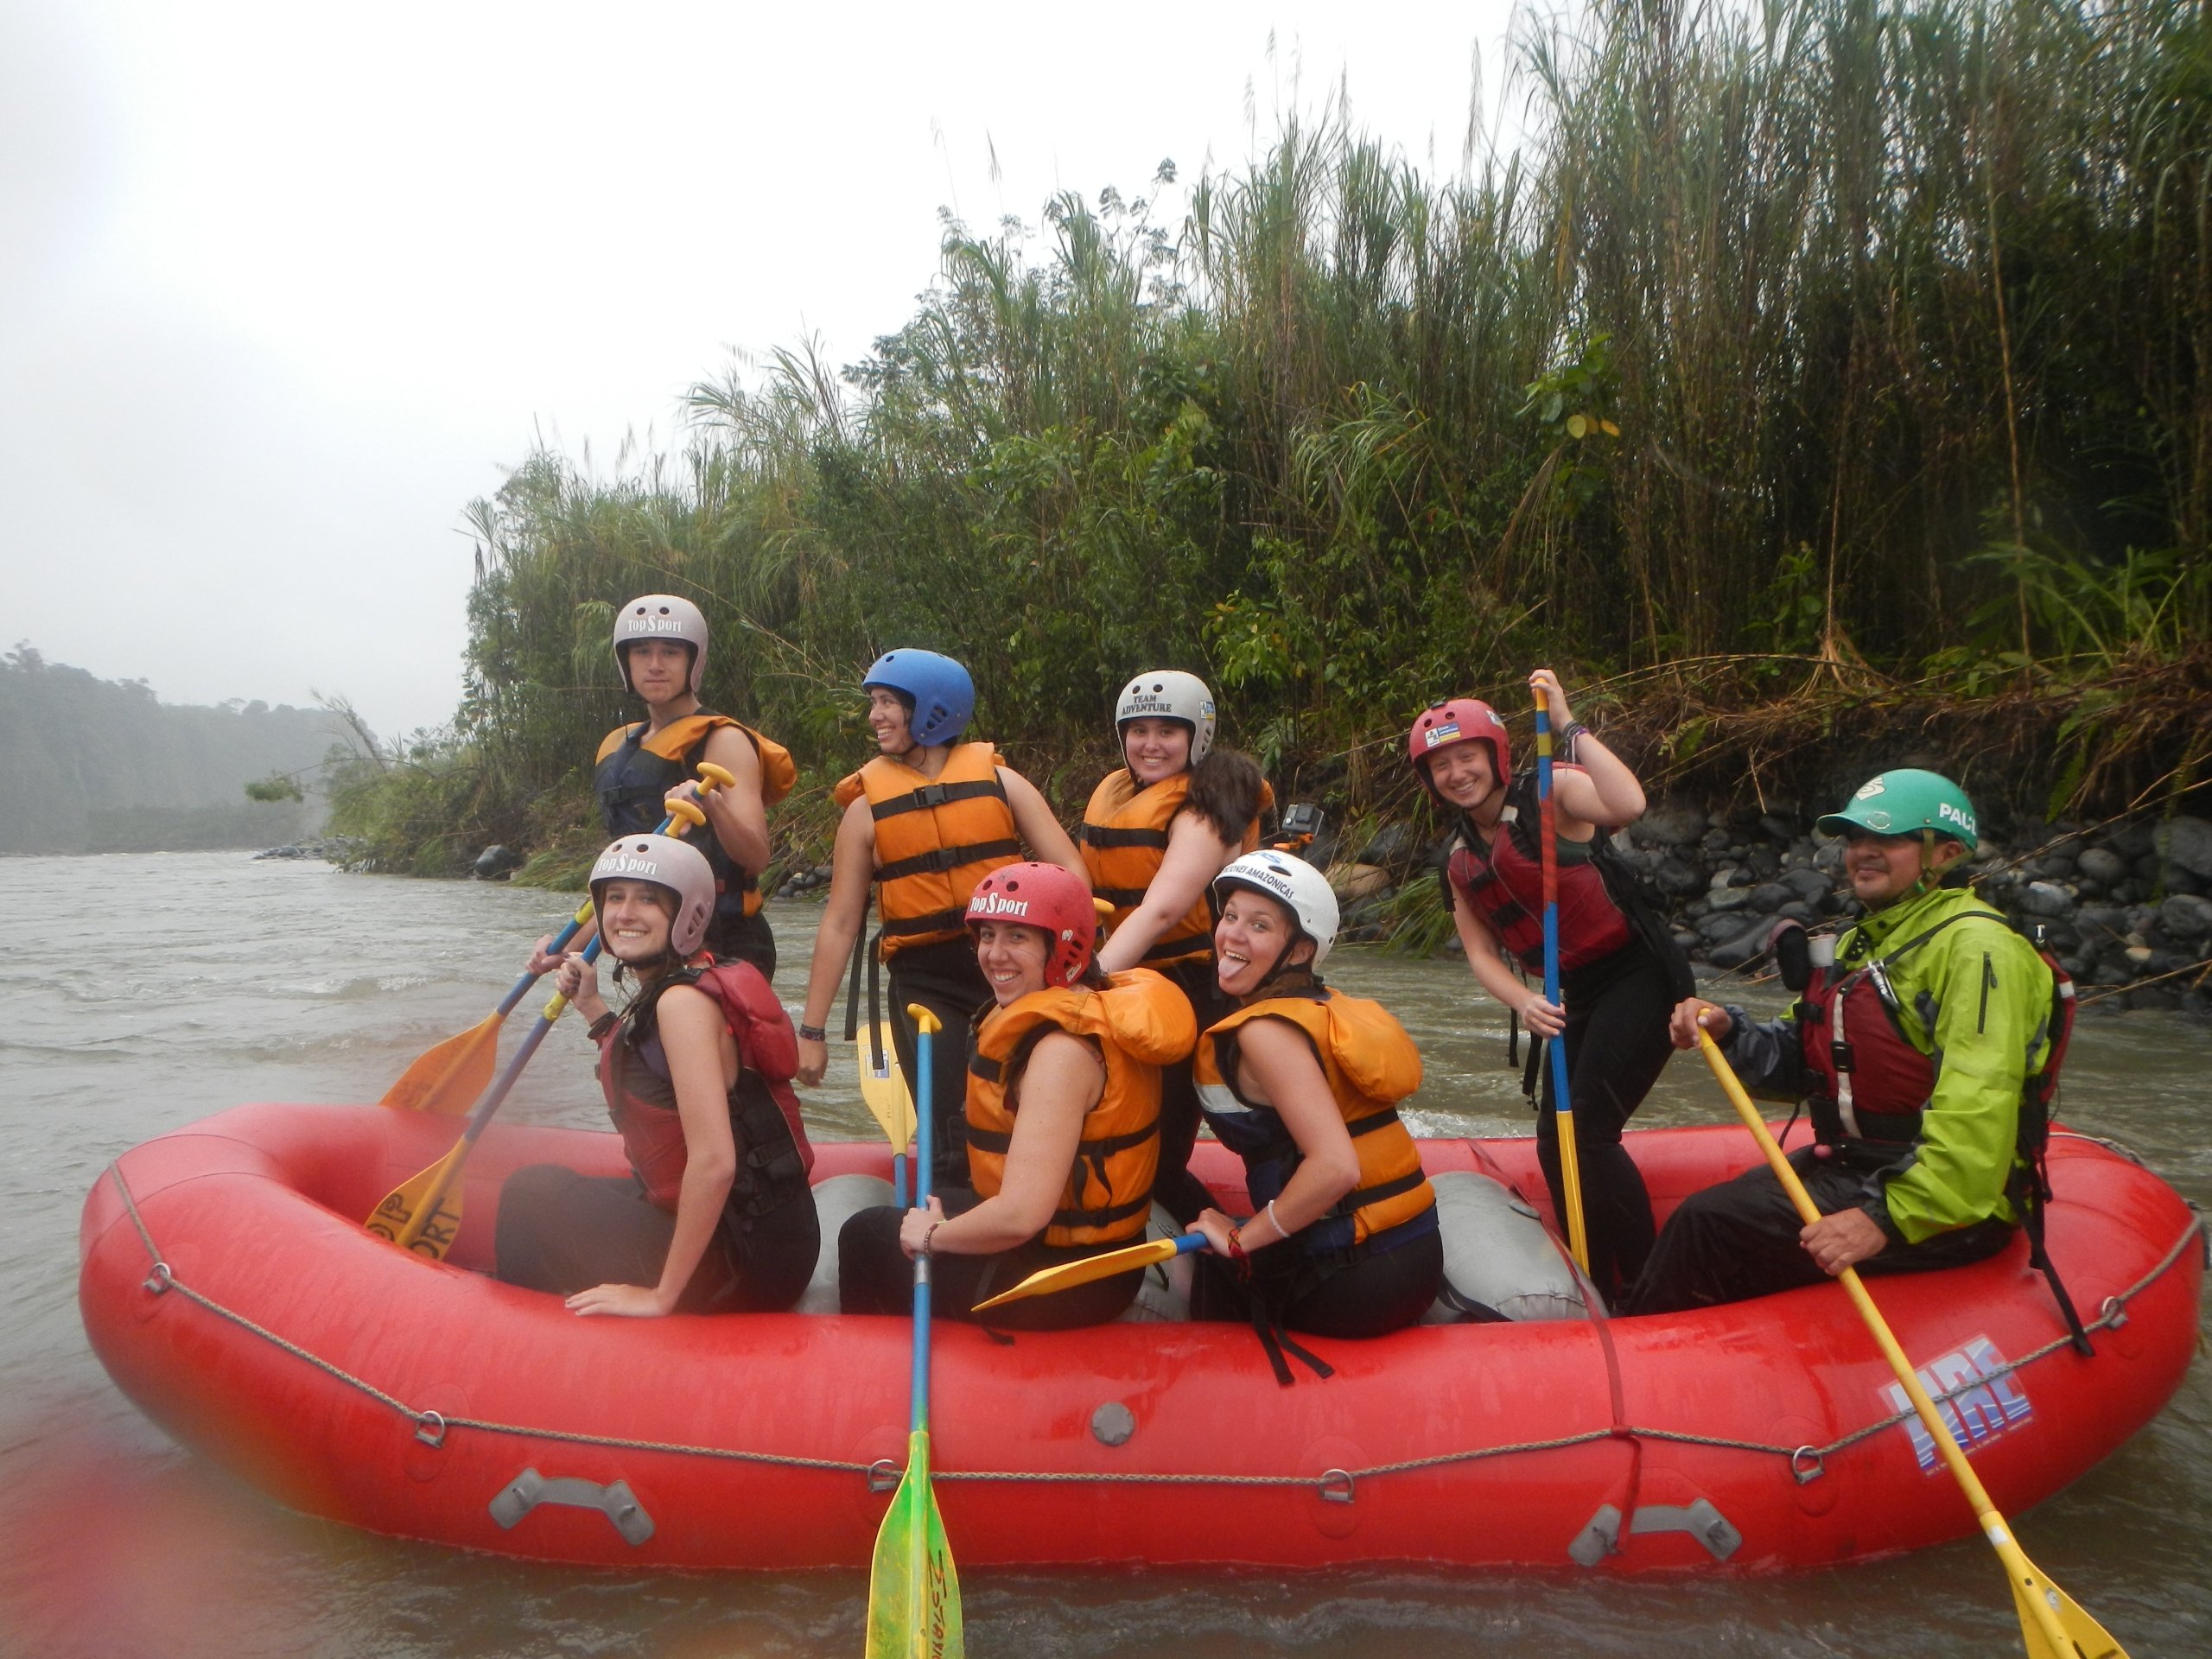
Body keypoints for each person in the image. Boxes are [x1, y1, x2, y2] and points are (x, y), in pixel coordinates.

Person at [1624, 769, 2061, 1316]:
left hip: (1944, 1205)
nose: (1863, 853)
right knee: (1713, 1214)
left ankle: (1638, 1360)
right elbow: (1798, 1066)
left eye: (1889, 839)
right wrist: (1730, 1030)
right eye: (1856, 838)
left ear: (1946, 853)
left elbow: (1979, 1108)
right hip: (1857, 1164)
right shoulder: (1860, 942)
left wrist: (1883, 1217)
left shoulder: (1978, 950)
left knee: (1710, 1223)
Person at [1408, 671, 1691, 1302]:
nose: (1457, 773)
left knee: (1589, 1129)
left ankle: (1647, 1285)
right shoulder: (1457, 859)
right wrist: (1524, 1001)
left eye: (1467, 757)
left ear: (1496, 755)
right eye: (1442, 765)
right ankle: (1592, 1273)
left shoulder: (1551, 791)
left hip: (1638, 972)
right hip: (1570, 993)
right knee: (1552, 1138)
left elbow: (1628, 804)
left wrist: (1568, 724)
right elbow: (1481, 953)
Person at [836, 862, 1193, 1329]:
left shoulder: (1061, 1053)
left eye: (1017, 937)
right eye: (987, 935)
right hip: (1069, 1253)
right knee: (927, 1200)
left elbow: (1021, 1216)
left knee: (865, 1235)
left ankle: (870, 1374)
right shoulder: (1088, 1002)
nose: (994, 955)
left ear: (1064, 947)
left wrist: (933, 1239)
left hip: (1064, 1279)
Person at [791, 649, 1085, 1190]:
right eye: (874, 704)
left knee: (1027, 1101)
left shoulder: (1003, 783)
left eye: (887, 703)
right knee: (954, 1120)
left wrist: (1077, 964)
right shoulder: (865, 812)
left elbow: (1070, 873)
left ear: (931, 709)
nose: (874, 716)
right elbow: (838, 923)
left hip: (1011, 967)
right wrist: (812, 1031)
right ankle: (953, 1216)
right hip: (925, 982)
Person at [495, 833, 819, 1314]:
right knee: (553, 1182)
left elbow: (714, 1162)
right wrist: (593, 1010)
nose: (625, 913)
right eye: (615, 898)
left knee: (527, 1195)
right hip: (767, 1237)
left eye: (648, 899)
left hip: (740, 1260)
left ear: (687, 914)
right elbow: (657, 1071)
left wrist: (660, 1296)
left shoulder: (681, 1003)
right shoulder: (697, 976)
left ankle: (536, 1346)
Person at [1185, 850, 1443, 1377]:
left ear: (1300, 950)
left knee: (1203, 1273)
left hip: (1353, 1283)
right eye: (1230, 915)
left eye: (1259, 925)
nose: (1232, 935)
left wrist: (1240, 1240)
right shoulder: (1323, 1006)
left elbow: (1336, 1168)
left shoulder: (1265, 1033)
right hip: (1414, 1256)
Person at [1082, 670, 1270, 1224]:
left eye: (1168, 730)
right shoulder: (1117, 794)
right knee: (1132, 1145)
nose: (1150, 744)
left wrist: (1091, 976)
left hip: (1196, 993)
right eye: (1138, 730)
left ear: (1198, 736)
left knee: (1159, 1163)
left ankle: (1241, 1257)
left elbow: (1163, 908)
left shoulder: (1207, 804)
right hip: (1134, 988)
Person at [531, 594, 795, 982]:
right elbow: (628, 878)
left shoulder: (722, 740)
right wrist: (565, 948)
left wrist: (715, 806)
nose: (654, 665)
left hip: (723, 942)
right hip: (653, 942)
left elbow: (756, 857)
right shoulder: (617, 748)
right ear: (626, 662)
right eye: (641, 652)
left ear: (693, 661)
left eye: (670, 652)